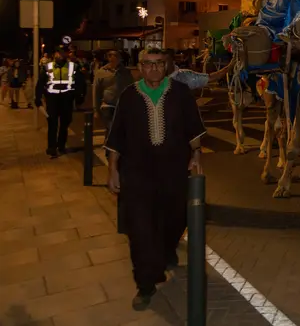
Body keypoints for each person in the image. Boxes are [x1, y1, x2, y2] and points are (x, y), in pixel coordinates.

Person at [104, 48, 206, 310]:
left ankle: (164, 251)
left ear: (166, 66)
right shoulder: (129, 96)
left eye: (159, 64)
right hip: (136, 175)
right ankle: (145, 284)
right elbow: (116, 136)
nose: (153, 69)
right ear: (139, 66)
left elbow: (193, 128)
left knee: (175, 220)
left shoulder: (180, 94)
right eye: (147, 64)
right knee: (140, 230)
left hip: (173, 173)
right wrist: (113, 169)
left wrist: (196, 155)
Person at [35, 47, 87, 158]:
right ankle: (51, 147)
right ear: (55, 54)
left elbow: (80, 83)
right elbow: (40, 83)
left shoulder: (73, 66)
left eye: (63, 53)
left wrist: (79, 97)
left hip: (67, 99)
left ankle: (61, 145)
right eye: (58, 52)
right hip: (52, 99)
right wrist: (38, 97)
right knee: (52, 123)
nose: (60, 55)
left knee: (64, 124)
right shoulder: (47, 67)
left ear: (66, 54)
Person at [93, 50, 135, 136]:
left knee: (118, 130)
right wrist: (96, 110)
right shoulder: (101, 72)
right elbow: (96, 91)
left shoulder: (125, 72)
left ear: (120, 59)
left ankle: (112, 146)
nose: (113, 58)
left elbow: (131, 89)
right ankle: (109, 147)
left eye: (115, 56)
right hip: (107, 106)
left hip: (121, 106)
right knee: (111, 128)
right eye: (110, 56)